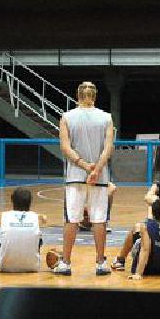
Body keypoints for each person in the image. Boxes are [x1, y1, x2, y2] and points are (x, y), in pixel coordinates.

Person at [56, 81, 116, 276]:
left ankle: (65, 263)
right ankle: (100, 263)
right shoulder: (106, 117)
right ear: (95, 96)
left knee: (71, 220)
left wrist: (83, 165)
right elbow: (108, 149)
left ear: (78, 96)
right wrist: (96, 170)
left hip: (75, 176)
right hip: (99, 177)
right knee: (99, 220)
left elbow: (65, 147)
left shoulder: (66, 117)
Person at [0, 188, 47, 273]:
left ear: (12, 200)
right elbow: (45, 220)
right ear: (31, 201)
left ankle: (3, 257)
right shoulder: (37, 217)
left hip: (3, 266)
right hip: (33, 266)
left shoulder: (2, 216)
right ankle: (30, 258)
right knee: (37, 232)